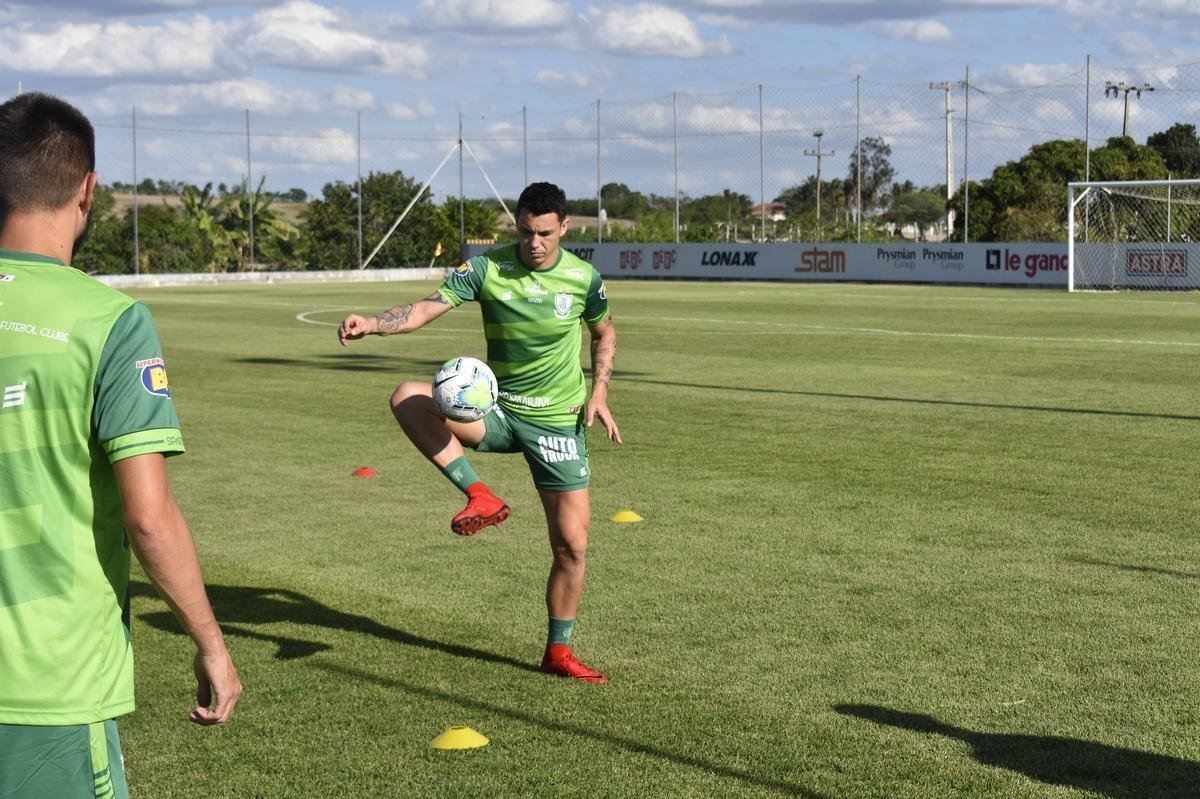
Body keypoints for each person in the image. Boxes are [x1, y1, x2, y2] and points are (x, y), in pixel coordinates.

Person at [0, 93, 241, 798]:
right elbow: (148, 516)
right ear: (87, 189)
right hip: (45, 680)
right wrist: (211, 642)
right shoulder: (108, 320)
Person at [339, 182, 621, 683]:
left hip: (557, 422)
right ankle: (480, 494)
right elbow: (425, 308)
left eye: (545, 233)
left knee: (572, 547)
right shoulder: (488, 268)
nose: (534, 243)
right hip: (497, 413)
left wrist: (599, 392)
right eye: (526, 231)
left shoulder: (584, 279)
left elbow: (604, 332)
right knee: (408, 396)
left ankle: (557, 652)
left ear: (564, 227)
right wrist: (374, 322)